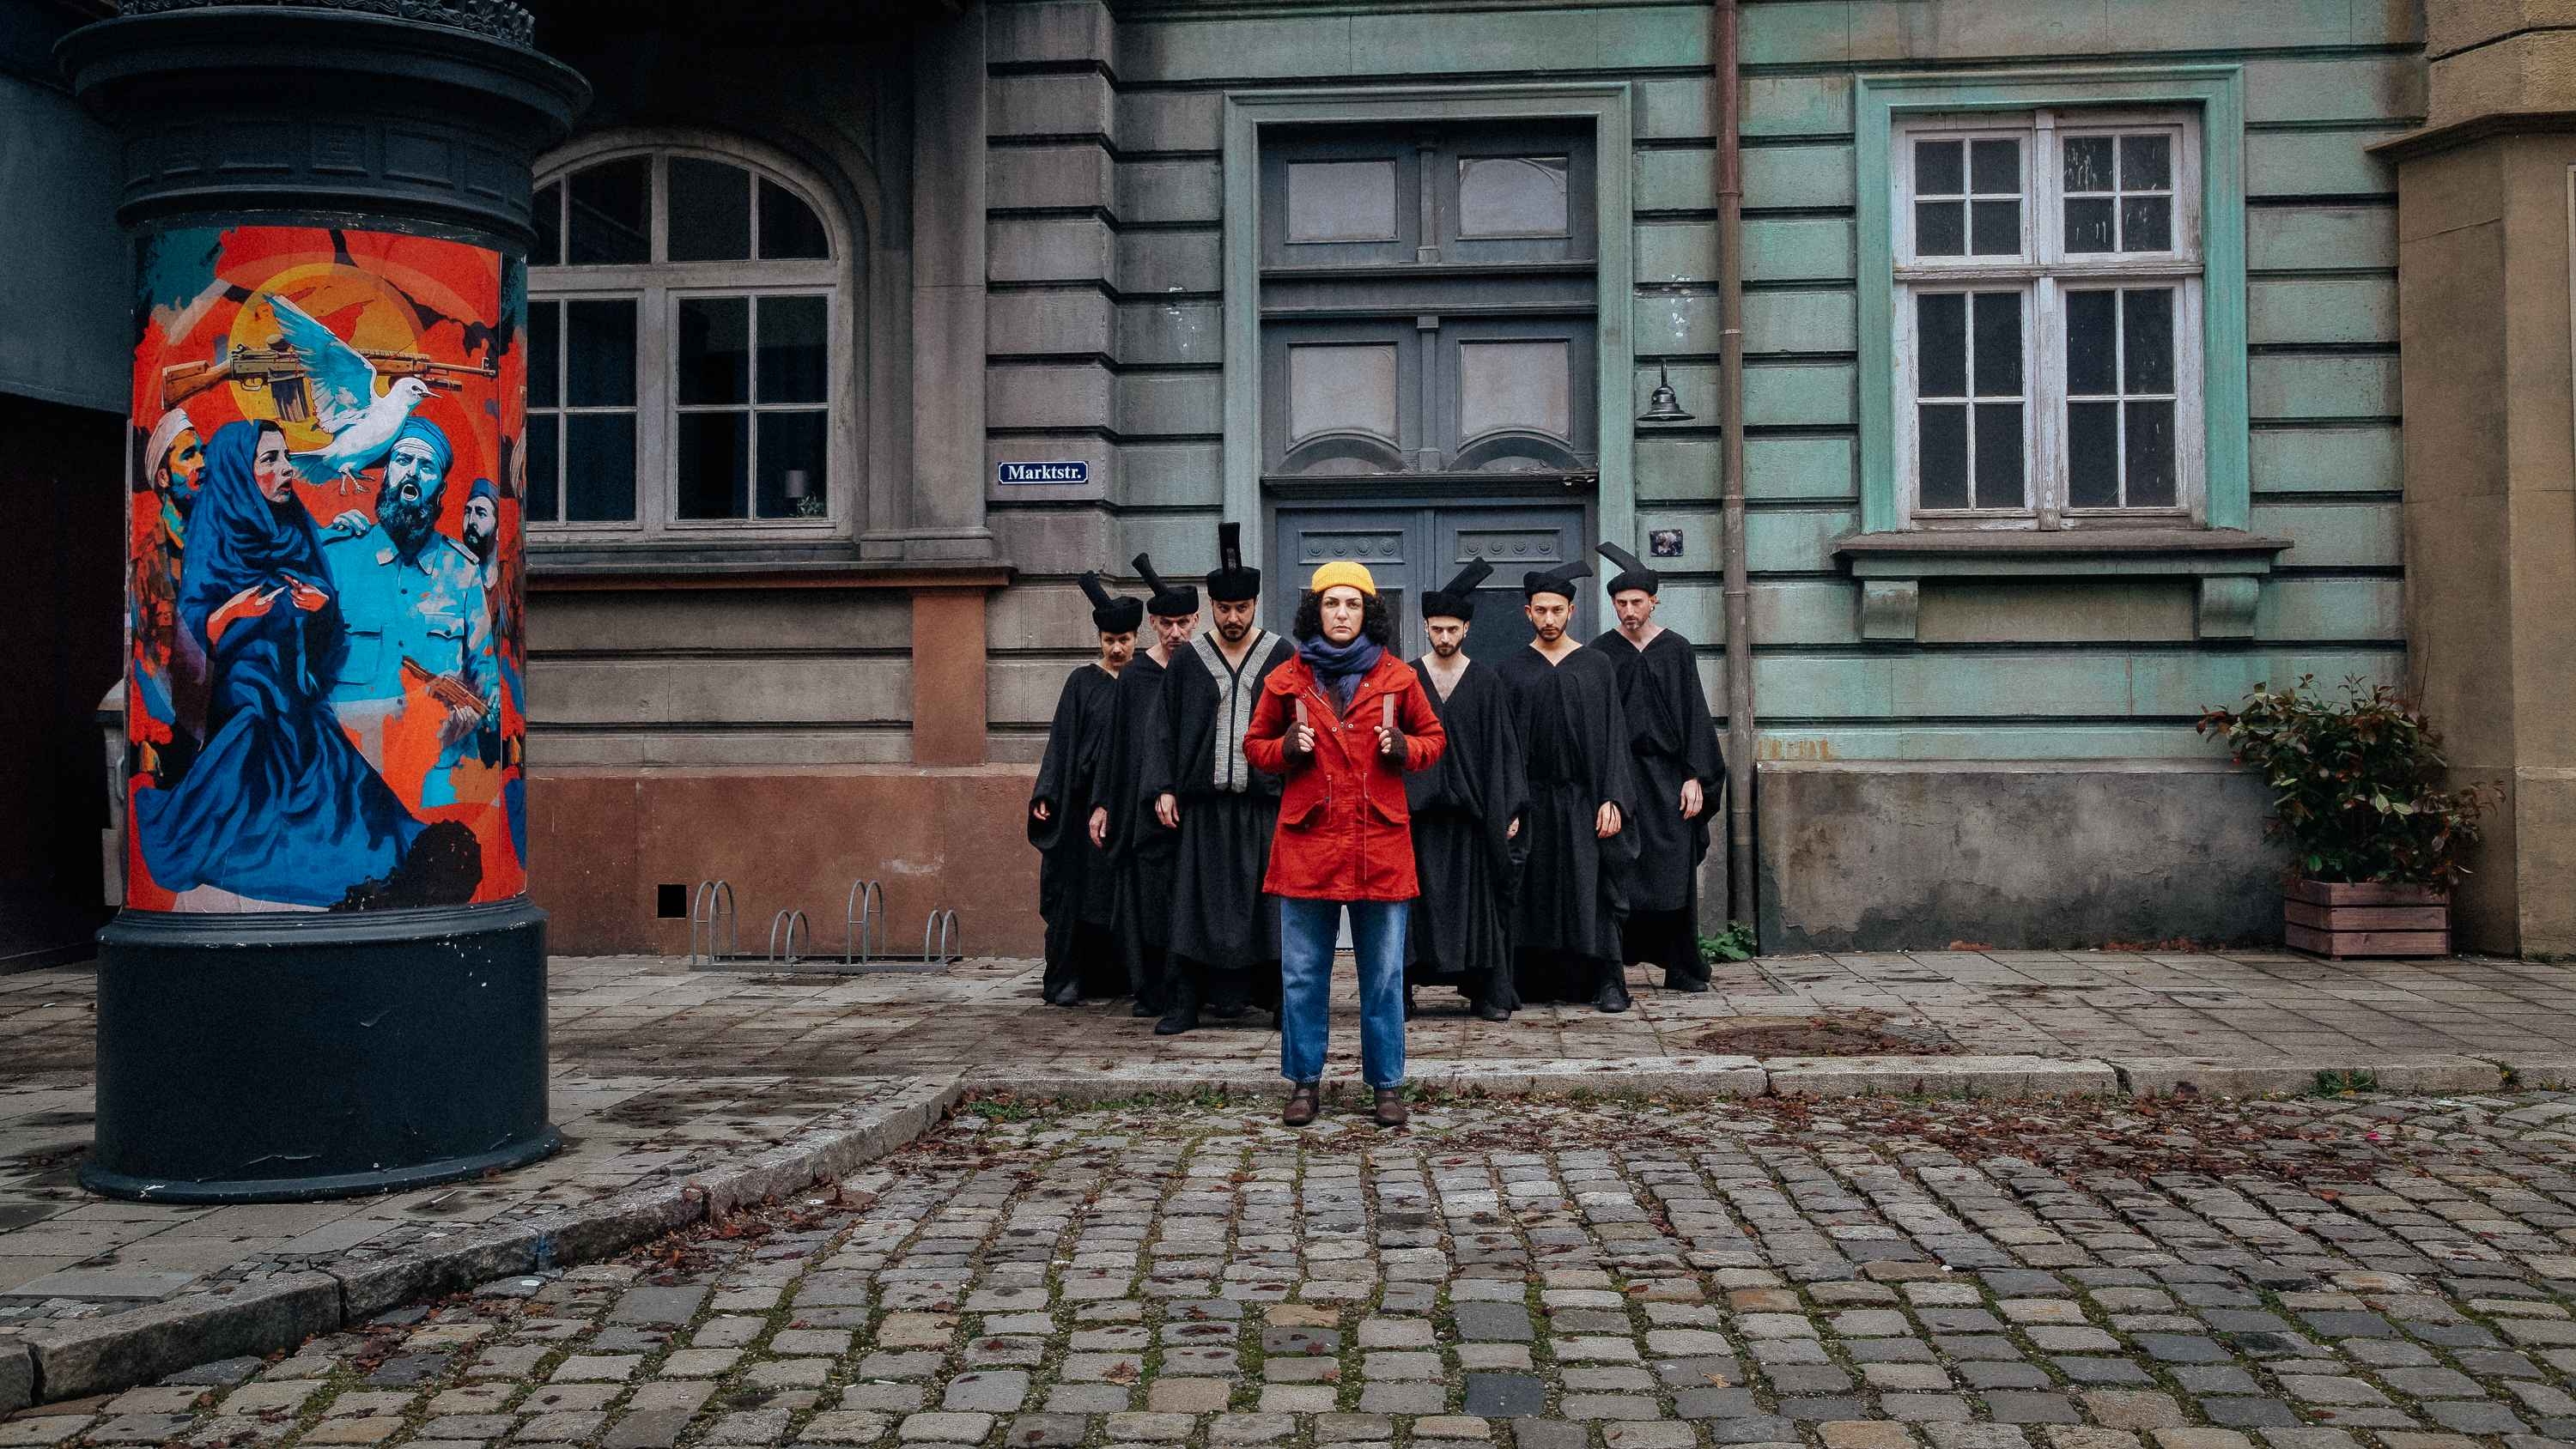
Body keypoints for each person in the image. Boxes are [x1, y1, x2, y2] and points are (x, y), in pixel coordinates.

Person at [131, 420, 450, 909]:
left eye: (285, 458)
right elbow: (194, 629)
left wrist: (320, 609)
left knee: (336, 774)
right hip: (242, 693)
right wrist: (235, 611)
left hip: (293, 686)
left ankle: (383, 861)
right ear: (242, 472)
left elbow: (329, 614)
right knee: (260, 748)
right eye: (271, 461)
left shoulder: (297, 527)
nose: (286, 471)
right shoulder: (216, 532)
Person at [1242, 561, 1446, 1128]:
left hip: (1378, 845)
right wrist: (1285, 746)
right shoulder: (1286, 679)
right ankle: (1304, 1084)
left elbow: (1435, 740)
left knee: (1382, 977)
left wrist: (1403, 747)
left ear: (1367, 612)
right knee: (1304, 975)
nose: (1341, 613)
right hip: (1308, 846)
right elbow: (1254, 745)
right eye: (1332, 603)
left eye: (1352, 604)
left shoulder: (1399, 678)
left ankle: (1386, 1086)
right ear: (1316, 611)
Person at [1146, 523, 1292, 1035]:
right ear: (1211, 606)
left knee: (1269, 909)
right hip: (1203, 809)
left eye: (1242, 609)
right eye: (1224, 609)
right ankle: (1184, 1002)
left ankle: (1280, 1002)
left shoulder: (1281, 655)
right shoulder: (1188, 660)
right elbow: (1162, 728)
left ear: (1255, 604)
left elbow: (1302, 729)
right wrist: (1163, 785)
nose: (1233, 618)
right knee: (1193, 907)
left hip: (1262, 807)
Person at [319, 417, 498, 791]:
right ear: (385, 474)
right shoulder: (338, 559)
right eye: (402, 461)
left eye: (426, 466)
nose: (412, 474)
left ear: (440, 488)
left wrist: (477, 716)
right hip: (352, 783)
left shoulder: (462, 572)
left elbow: (485, 679)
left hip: (438, 781)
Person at [1496, 561, 1640, 1013]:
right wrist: (1511, 806)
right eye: (1541, 611)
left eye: (1557, 610)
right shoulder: (1512, 670)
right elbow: (1505, 746)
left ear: (1571, 611)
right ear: (1528, 613)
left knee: (1595, 889)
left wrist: (1613, 797)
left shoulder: (1596, 666)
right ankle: (1532, 981)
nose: (1549, 619)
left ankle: (1608, 981)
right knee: (1532, 890)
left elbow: (1615, 735)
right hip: (1533, 799)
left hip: (1584, 799)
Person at [1593, 542, 1726, 991]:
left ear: (1654, 600)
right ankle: (1611, 970)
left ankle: (1681, 964)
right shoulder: (1602, 653)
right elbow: (1598, 727)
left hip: (1669, 779)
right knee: (1619, 874)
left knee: (1672, 872)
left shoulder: (1676, 650)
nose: (1629, 611)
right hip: (1622, 777)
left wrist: (1695, 777)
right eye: (1621, 603)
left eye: (1637, 602)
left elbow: (1694, 717)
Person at [1403, 560, 1529, 1022]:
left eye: (1452, 629)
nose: (1444, 637)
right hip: (1418, 819)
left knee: (1477, 908)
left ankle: (1483, 991)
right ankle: (1402, 991)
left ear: (1467, 628)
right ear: (1426, 628)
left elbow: (1504, 749)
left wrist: (1511, 805)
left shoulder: (1485, 681)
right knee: (1414, 909)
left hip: (1473, 819)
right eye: (1436, 629)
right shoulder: (1407, 679)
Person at [1030, 573, 1139, 1006]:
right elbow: (1062, 740)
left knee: (1119, 895)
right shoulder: (1081, 682)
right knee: (1074, 895)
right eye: (1111, 639)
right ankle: (1068, 978)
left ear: (1136, 638)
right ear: (1100, 639)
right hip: (1078, 811)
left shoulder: (1143, 682)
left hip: (1125, 807)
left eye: (1125, 639)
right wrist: (1047, 793)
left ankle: (1119, 977)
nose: (1117, 648)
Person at [1095, 552, 1197, 1015]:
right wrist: (1103, 804)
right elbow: (1115, 747)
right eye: (1166, 624)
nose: (1175, 633)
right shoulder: (1136, 675)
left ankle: (1196, 988)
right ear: (1153, 623)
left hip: (1194, 806)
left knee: (1191, 898)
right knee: (1151, 902)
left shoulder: (1201, 669)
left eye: (1183, 623)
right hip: (1141, 808)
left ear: (1195, 621)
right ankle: (1153, 988)